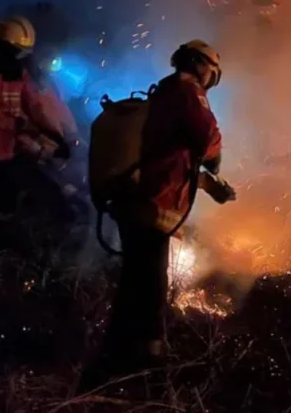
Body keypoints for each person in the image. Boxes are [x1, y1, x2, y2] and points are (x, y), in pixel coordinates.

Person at [98, 39, 237, 376]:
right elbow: (205, 136)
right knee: (151, 283)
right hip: (153, 203)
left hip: (134, 198)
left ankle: (115, 353)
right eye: (211, 75)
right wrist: (215, 159)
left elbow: (173, 157)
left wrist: (208, 183)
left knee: (135, 278)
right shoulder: (189, 92)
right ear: (203, 66)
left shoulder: (163, 92)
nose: (209, 82)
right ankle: (148, 361)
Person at [0, 15, 71, 243]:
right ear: (2, 47)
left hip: (7, 155)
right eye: (17, 51)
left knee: (3, 213)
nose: (21, 57)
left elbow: (35, 106)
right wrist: (13, 123)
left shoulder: (17, 72)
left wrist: (55, 135)